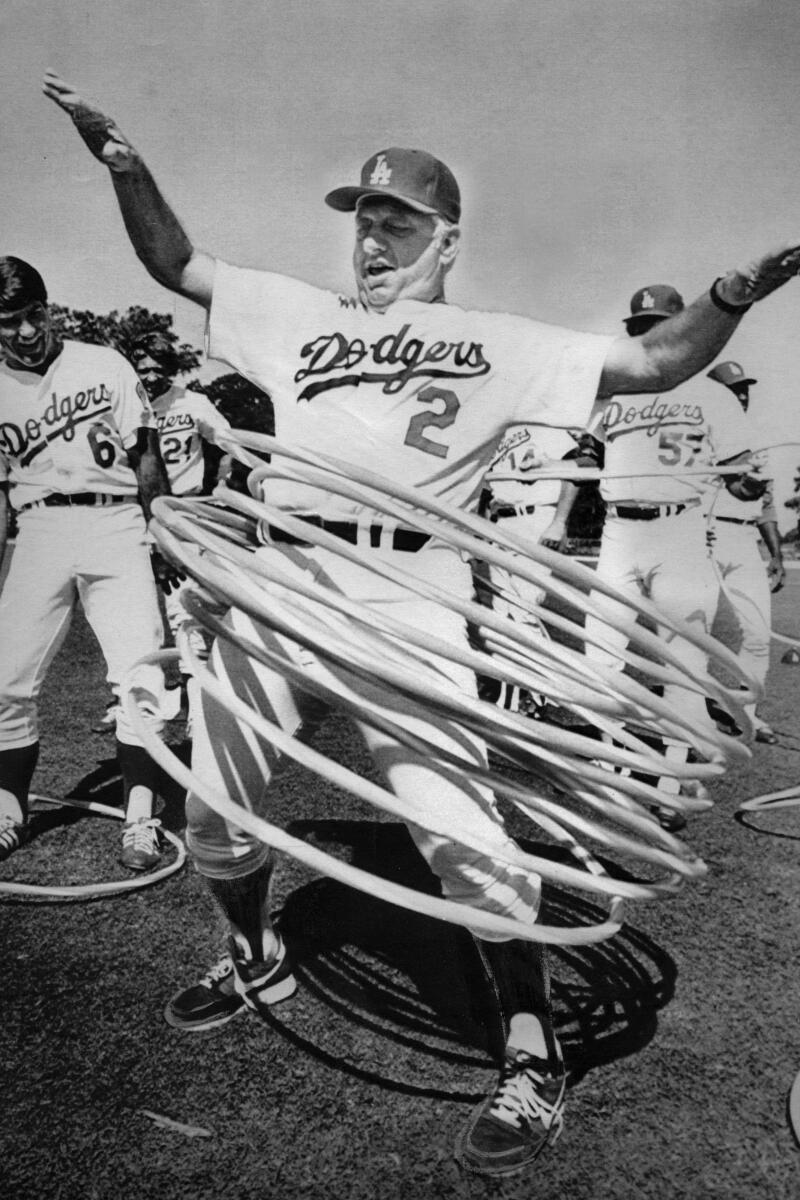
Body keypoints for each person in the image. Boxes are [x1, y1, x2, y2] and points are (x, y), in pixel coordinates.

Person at [44, 70, 800, 1179]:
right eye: (363, 221)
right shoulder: (296, 316)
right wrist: (127, 165)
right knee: (214, 814)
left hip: (412, 594)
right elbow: (176, 263)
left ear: (446, 238)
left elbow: (650, 360)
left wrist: (731, 292)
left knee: (464, 841)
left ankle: (531, 1052)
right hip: (282, 584)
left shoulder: (502, 338)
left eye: (397, 222)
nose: (372, 241)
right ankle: (255, 951)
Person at [0, 256, 179, 871]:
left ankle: (140, 817)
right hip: (39, 527)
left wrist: (165, 538)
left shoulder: (103, 363)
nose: (26, 332)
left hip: (115, 520)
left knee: (140, 677)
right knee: (3, 676)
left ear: (49, 308)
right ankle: (8, 808)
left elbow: (146, 457)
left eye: (34, 315)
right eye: (9, 322)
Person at [567, 286, 767, 827]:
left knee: (682, 666)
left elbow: (744, 478)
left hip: (678, 532)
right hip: (617, 534)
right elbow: (584, 456)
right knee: (600, 653)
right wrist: (566, 497)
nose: (648, 335)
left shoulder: (713, 394)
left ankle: (671, 783)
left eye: (659, 324)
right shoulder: (615, 398)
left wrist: (749, 485)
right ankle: (609, 769)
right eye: (640, 327)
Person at [133, 335, 231, 735]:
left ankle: (197, 702)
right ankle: (142, 697)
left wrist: (223, 483)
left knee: (184, 606)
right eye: (143, 364)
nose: (151, 372)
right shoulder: (125, 404)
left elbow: (227, 443)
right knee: (140, 615)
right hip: (135, 516)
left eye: (159, 365)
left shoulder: (192, 402)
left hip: (184, 514)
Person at [476, 425, 586, 714]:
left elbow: (573, 471)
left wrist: (559, 521)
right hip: (502, 522)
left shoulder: (543, 425)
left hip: (536, 517)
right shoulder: (498, 429)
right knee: (502, 610)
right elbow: (487, 489)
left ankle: (523, 696)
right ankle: (537, 689)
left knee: (523, 610)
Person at [705, 360, 785, 743]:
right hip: (703, 536)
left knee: (757, 633)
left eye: (744, 387)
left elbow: (767, 504)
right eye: (730, 388)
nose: (740, 394)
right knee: (693, 634)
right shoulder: (697, 430)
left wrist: (776, 555)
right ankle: (688, 716)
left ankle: (746, 713)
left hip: (743, 540)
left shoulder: (758, 438)